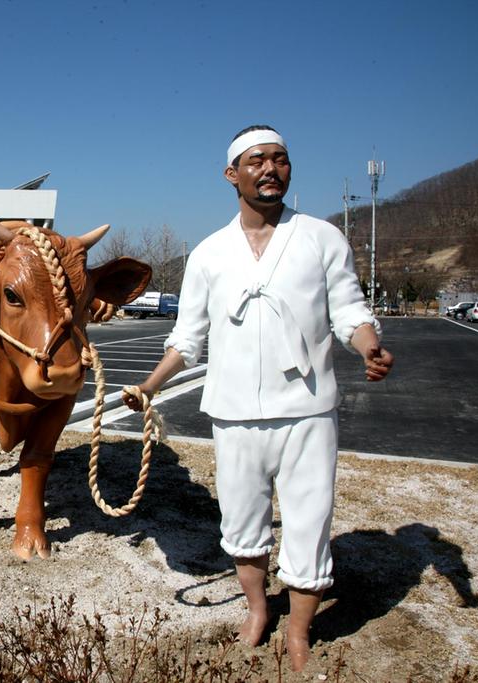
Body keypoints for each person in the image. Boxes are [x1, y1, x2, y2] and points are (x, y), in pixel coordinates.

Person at [122, 125, 394, 672]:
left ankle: (298, 629)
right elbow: (188, 338)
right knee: (243, 519)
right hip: (234, 412)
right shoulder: (208, 253)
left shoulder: (322, 237)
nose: (270, 169)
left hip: (308, 409)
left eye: (280, 159)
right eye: (256, 161)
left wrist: (369, 346)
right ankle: (256, 611)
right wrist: (149, 386)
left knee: (310, 519)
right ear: (232, 174)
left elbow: (349, 309)